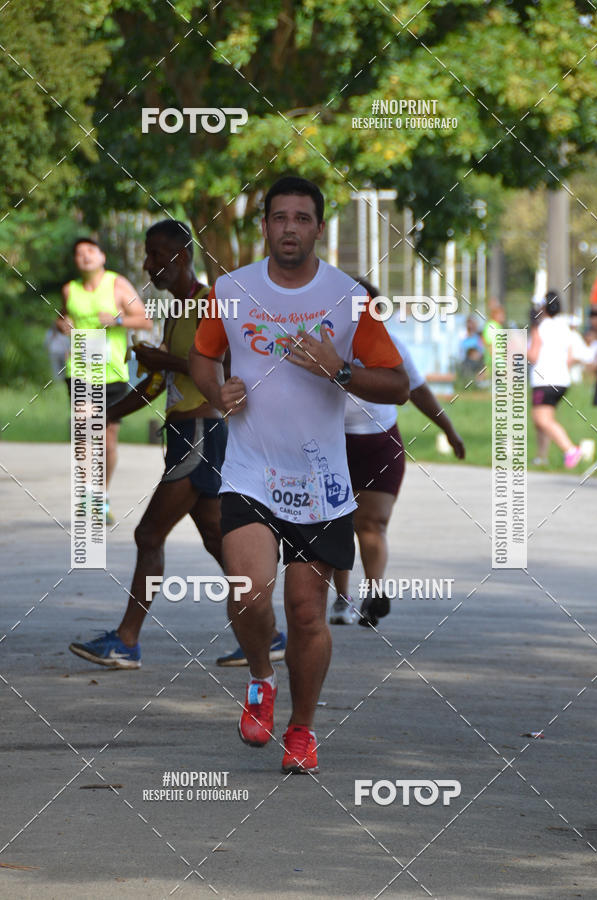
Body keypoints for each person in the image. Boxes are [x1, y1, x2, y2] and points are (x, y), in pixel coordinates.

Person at [189, 176, 409, 774]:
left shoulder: (347, 297)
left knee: (308, 613)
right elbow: (203, 356)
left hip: (321, 483)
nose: (289, 227)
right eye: (279, 216)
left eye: (302, 218)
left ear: (317, 227)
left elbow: (397, 384)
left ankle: (303, 731)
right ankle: (262, 678)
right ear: (265, 225)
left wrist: (340, 372)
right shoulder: (231, 290)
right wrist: (217, 389)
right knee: (249, 589)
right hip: (249, 472)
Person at [68, 221, 238, 667]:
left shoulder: (209, 304)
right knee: (217, 538)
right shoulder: (177, 311)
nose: (148, 265)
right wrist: (106, 416)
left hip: (203, 433)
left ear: (181, 256)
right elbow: (158, 384)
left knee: (148, 533)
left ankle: (127, 640)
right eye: (147, 255)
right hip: (183, 433)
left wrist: (161, 358)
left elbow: (220, 369)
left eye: (156, 255)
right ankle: (272, 633)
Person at [330, 281, 465, 628]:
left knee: (372, 523)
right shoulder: (324, 348)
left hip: (380, 446)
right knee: (337, 523)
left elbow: (418, 393)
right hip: (331, 445)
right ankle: (342, 598)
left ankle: (373, 595)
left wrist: (449, 431)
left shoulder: (393, 347)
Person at [56, 237, 151, 521]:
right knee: (85, 432)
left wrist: (118, 320)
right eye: (79, 253)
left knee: (108, 441)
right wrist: (63, 325)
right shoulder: (69, 289)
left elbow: (145, 319)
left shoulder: (118, 285)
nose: (85, 256)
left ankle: (103, 494)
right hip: (81, 369)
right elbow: (61, 318)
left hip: (113, 373)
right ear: (75, 261)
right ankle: (87, 495)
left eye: (90, 251)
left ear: (102, 256)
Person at [528, 290, 582, 468]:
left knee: (541, 419)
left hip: (544, 380)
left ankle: (570, 449)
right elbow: (571, 356)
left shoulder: (540, 328)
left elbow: (533, 355)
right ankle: (541, 457)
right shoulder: (564, 327)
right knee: (545, 418)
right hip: (561, 380)